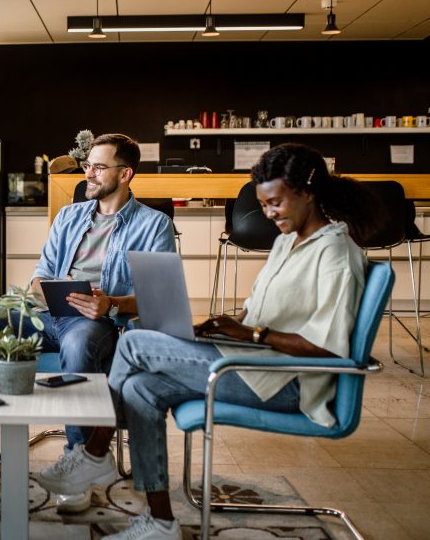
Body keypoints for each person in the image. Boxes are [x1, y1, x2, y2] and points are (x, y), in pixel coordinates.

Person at [35, 143, 382, 539]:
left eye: (277, 204)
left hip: (288, 381)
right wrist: (226, 326)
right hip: (252, 361)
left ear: (308, 193)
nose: (269, 215)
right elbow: (268, 317)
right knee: (139, 386)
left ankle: (94, 453)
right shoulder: (290, 240)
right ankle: (161, 521)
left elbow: (330, 349)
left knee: (135, 343)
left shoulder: (335, 252)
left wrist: (251, 333)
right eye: (264, 205)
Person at [0, 133, 177, 510]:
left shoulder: (153, 226)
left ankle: (79, 461)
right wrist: (44, 290)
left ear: (125, 174)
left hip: (94, 321)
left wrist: (111, 303)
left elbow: (159, 299)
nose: (88, 173)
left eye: (98, 167)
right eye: (88, 165)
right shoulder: (69, 217)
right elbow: (40, 275)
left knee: (78, 343)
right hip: (44, 313)